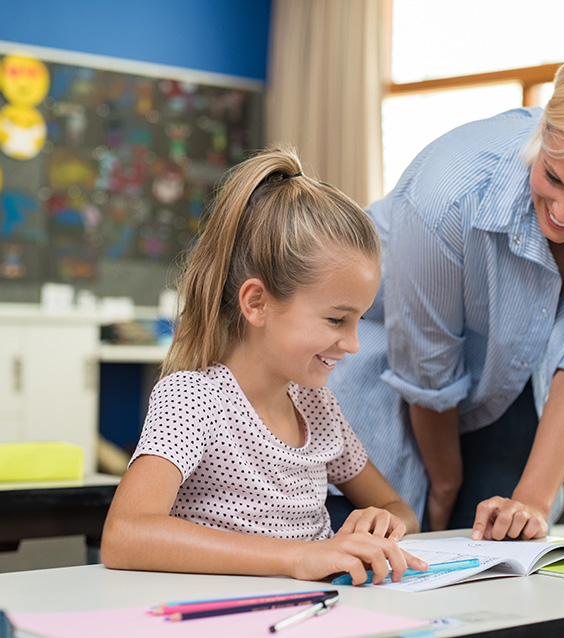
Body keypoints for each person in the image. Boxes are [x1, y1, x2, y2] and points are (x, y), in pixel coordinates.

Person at [327, 50, 564, 541]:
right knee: (389, 549)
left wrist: (533, 502)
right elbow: (427, 368)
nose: (562, 212)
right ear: (544, 135)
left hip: (504, 374)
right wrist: (444, 489)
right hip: (387, 362)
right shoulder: (450, 191)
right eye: (554, 178)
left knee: (505, 548)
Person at [101, 145, 425, 586]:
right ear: (257, 303)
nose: (352, 343)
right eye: (336, 319)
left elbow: (399, 508)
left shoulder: (318, 407)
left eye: (359, 321)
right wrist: (297, 558)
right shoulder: (195, 400)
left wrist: (384, 523)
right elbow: (124, 536)